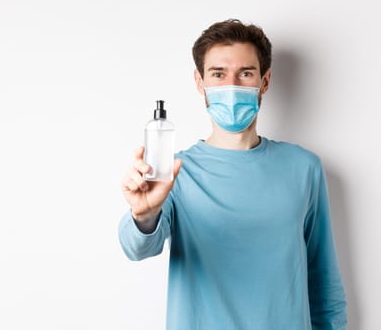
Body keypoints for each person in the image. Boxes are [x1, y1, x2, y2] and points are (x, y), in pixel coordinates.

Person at [119, 19, 347, 330]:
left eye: (246, 73)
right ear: (200, 83)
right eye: (218, 74)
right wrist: (143, 214)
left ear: (264, 82)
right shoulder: (172, 173)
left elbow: (324, 282)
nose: (232, 86)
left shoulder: (303, 167)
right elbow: (138, 247)